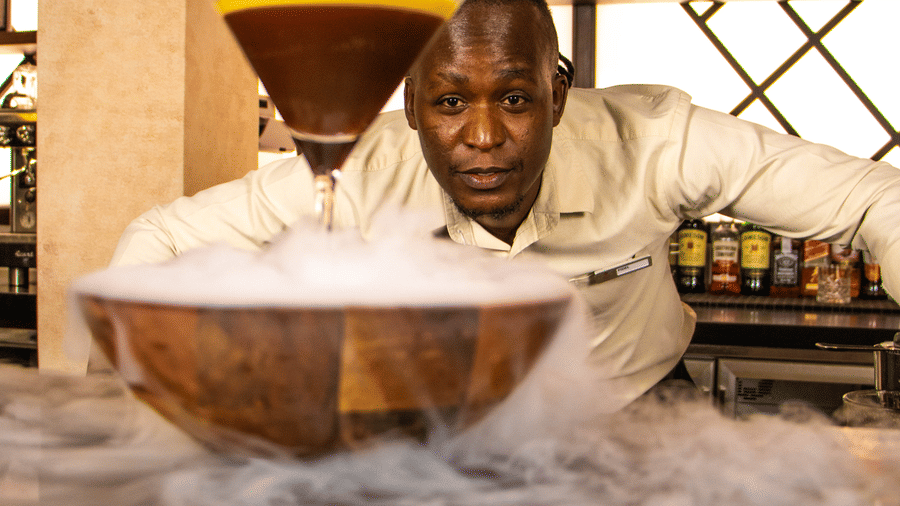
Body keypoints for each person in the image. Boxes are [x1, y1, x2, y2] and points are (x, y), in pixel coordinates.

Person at [110, 0, 900, 410]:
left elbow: (873, 198)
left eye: (515, 97)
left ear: (558, 95)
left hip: (638, 409)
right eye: (451, 103)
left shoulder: (660, 142)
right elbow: (163, 237)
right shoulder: (359, 164)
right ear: (413, 106)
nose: (483, 136)